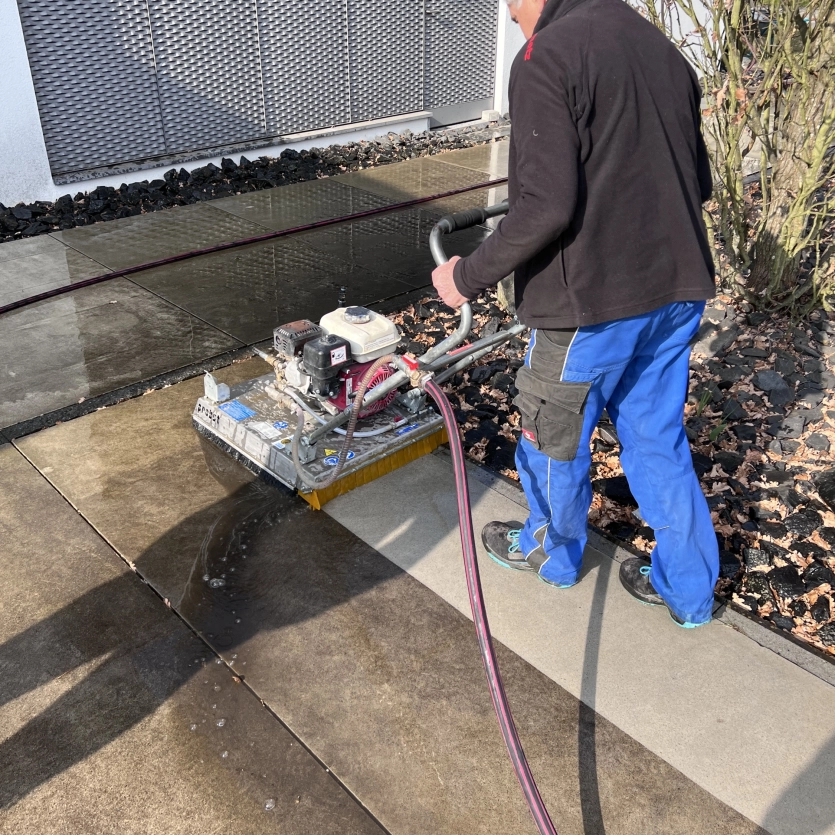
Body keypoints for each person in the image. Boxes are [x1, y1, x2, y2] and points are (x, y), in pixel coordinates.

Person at [431, 0, 719, 627]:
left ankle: (550, 553)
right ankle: (689, 592)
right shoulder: (662, 49)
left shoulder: (547, 57)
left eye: (509, 3)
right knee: (657, 439)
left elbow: (545, 208)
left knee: (553, 436)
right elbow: (696, 182)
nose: (509, 17)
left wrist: (466, 275)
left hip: (587, 310)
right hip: (676, 292)